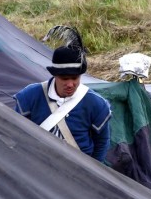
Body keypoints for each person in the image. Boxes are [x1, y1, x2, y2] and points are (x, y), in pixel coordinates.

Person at [14, 26, 112, 163]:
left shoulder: (96, 104)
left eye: (75, 78)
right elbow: (16, 132)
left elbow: (102, 143)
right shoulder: (29, 96)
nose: (70, 84)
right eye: (65, 79)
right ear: (55, 76)